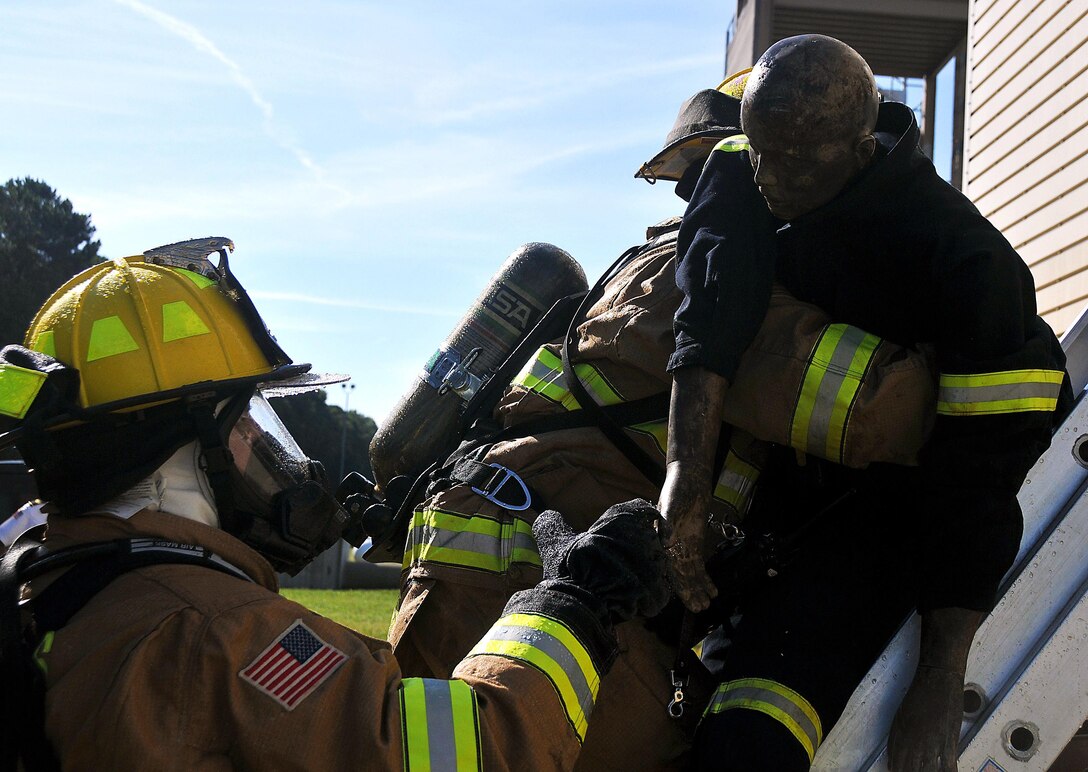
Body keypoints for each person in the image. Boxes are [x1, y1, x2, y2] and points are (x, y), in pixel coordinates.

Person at [388, 80, 941, 771]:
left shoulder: (664, 266)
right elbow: (878, 412)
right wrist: (980, 347)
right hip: (526, 586)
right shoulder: (698, 283)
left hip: (498, 573)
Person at [0, 237, 671, 771]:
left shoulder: (45, 587)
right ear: (175, 447)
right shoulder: (220, 636)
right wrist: (569, 609)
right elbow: (477, 751)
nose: (259, 445)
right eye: (242, 423)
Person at [661, 35, 1072, 771]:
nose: (768, 176)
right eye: (759, 148)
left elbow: (979, 473)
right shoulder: (743, 167)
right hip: (773, 499)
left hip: (897, 513)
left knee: (752, 726)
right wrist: (684, 477)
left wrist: (942, 675)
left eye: (794, 158)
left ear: (858, 146)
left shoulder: (964, 262)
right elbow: (713, 307)